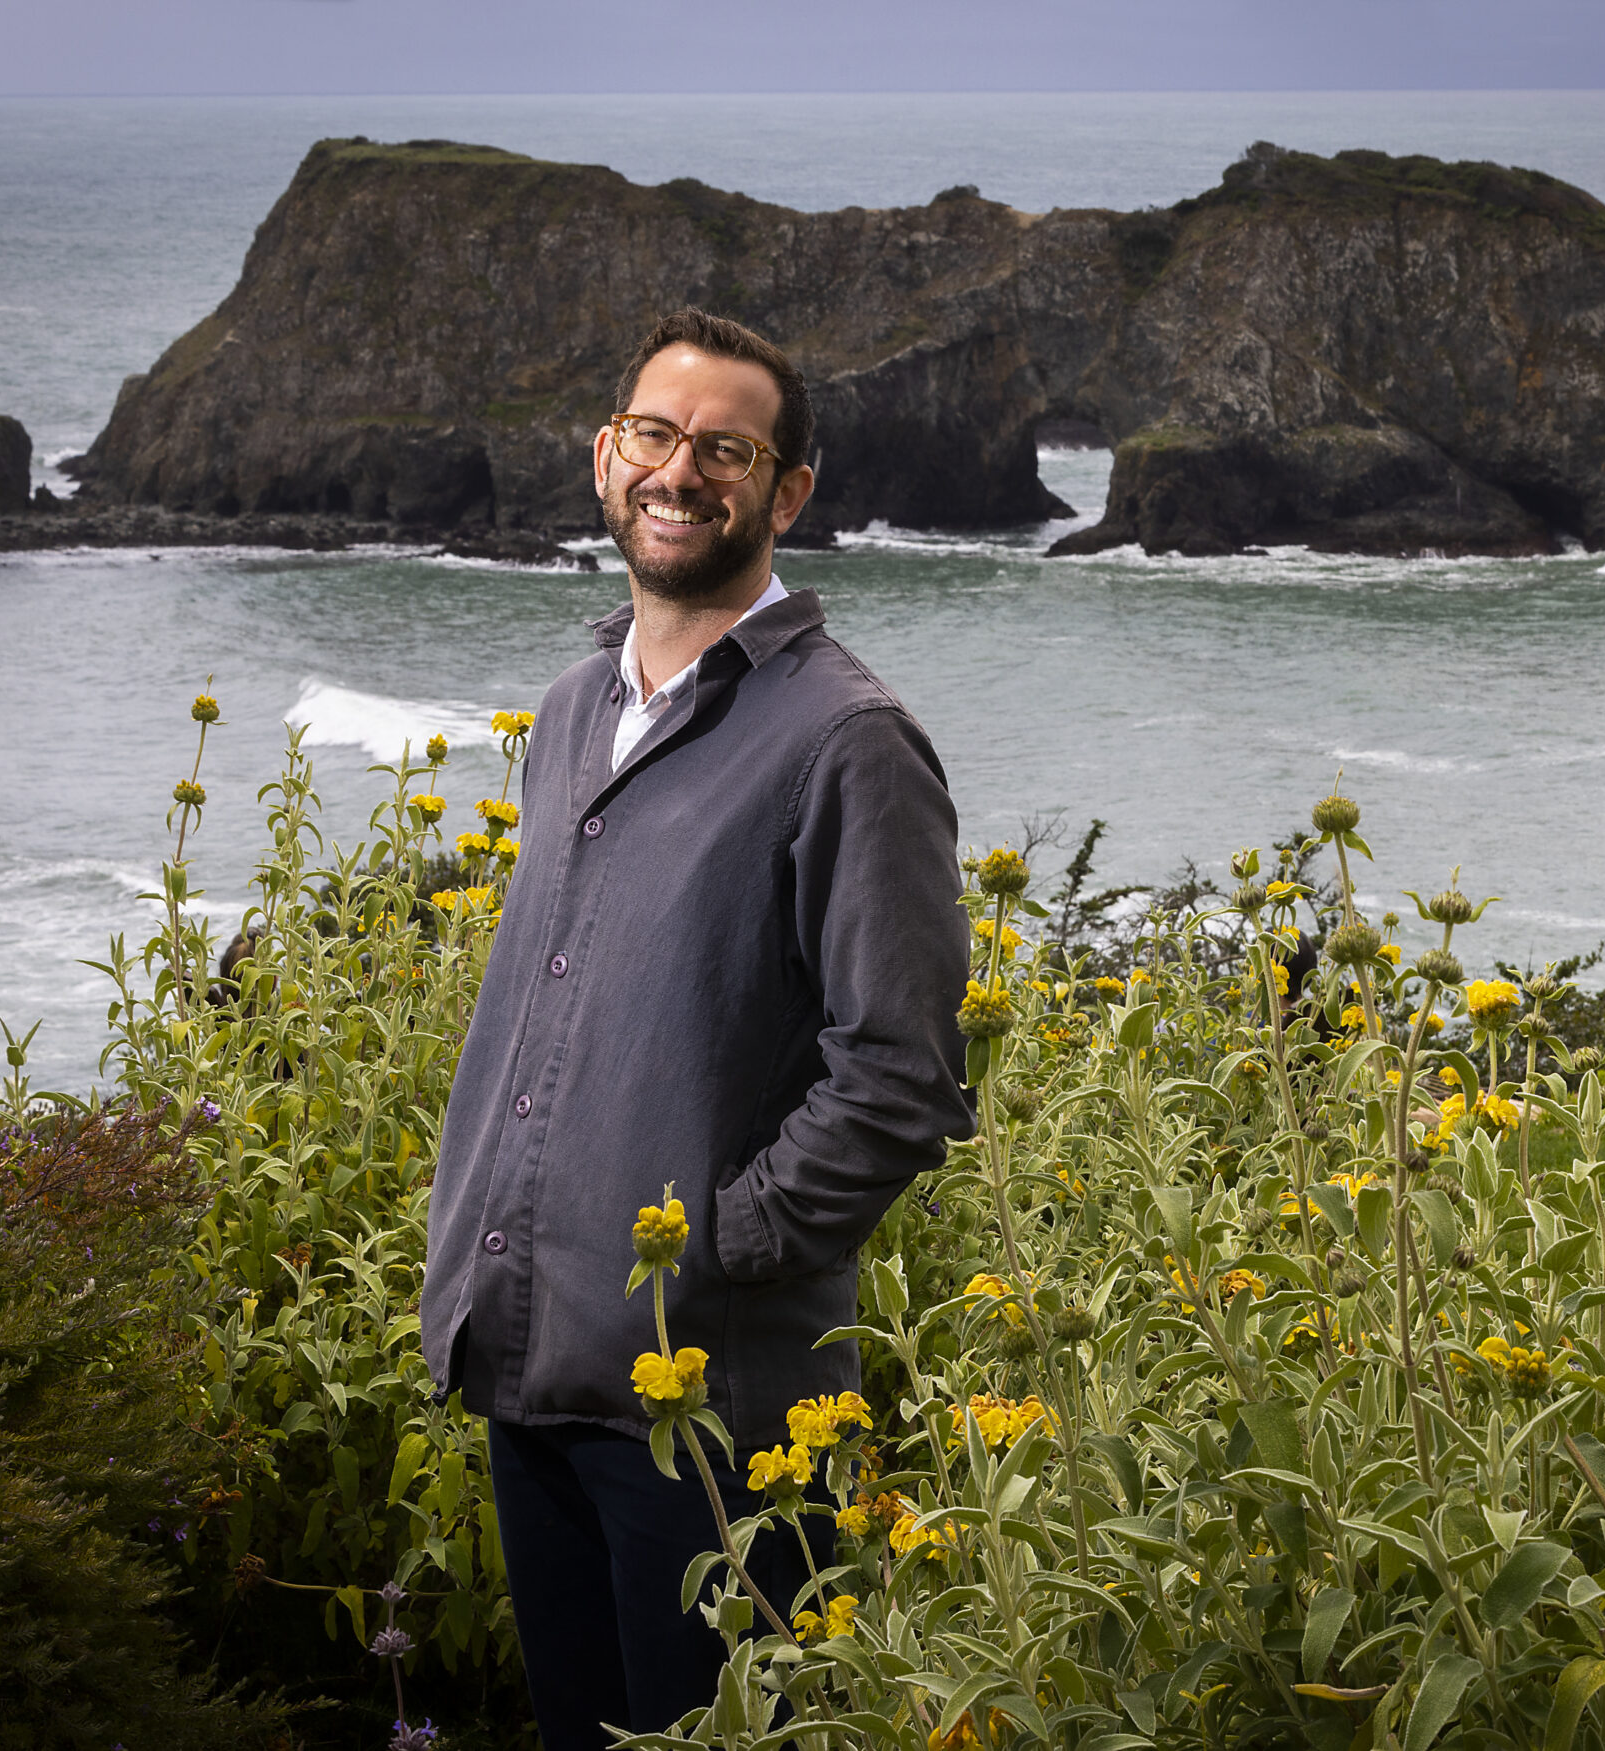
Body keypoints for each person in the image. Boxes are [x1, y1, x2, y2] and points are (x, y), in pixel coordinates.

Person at [422, 308, 975, 1748]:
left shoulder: (848, 742)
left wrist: (724, 1256)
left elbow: (903, 1074)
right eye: (656, 436)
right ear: (607, 456)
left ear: (787, 493)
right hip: (533, 1368)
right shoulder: (571, 710)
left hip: (715, 1418)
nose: (682, 473)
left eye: (727, 450)